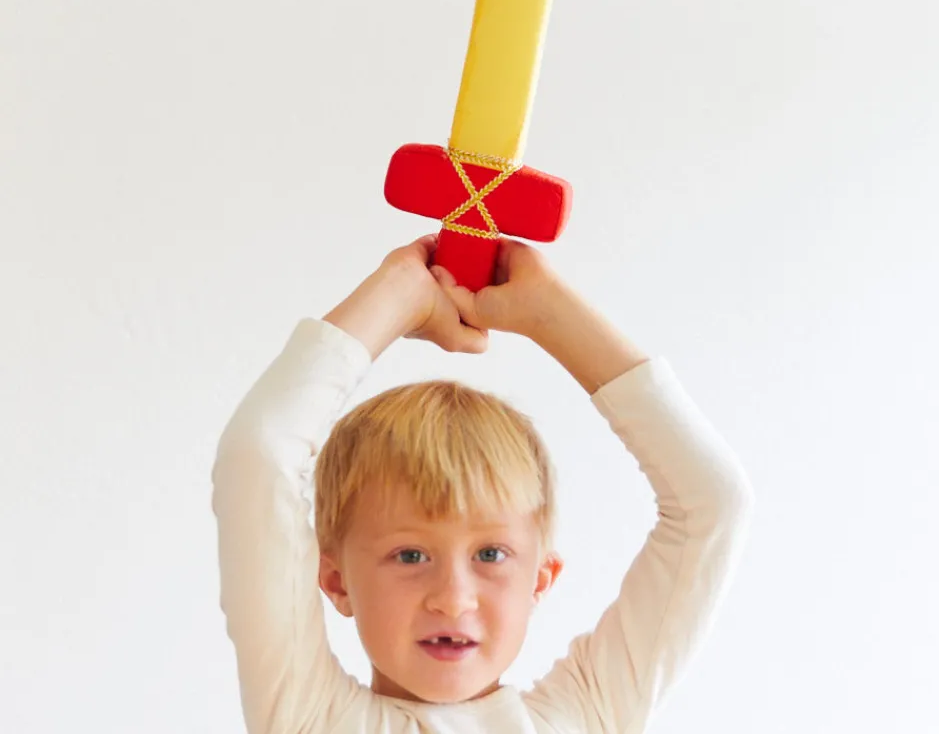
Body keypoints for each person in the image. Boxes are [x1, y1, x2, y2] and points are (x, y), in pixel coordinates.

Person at [211, 233, 754, 734]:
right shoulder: (311, 717)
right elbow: (259, 455)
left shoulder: (585, 717)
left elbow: (713, 503)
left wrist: (550, 314)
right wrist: (400, 291)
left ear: (540, 579)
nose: (453, 600)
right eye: (410, 555)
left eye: (490, 554)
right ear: (335, 581)